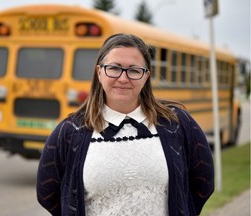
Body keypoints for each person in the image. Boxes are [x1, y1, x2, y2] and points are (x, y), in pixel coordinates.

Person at [36, 33, 214, 216]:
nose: (123, 78)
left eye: (134, 70)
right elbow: (46, 192)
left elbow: (203, 182)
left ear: (146, 77)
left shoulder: (177, 123)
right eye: (114, 68)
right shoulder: (70, 131)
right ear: (99, 72)